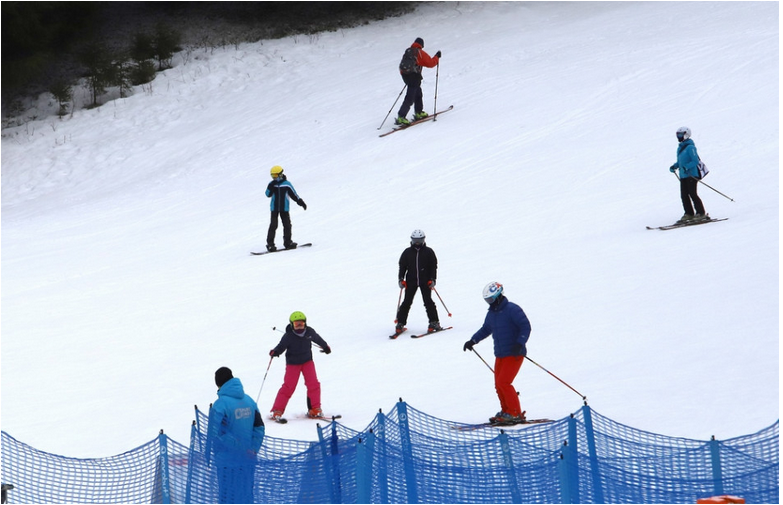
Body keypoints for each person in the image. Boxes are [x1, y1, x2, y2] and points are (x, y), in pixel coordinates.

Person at [462, 282, 531, 425]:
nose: (489, 303)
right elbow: (486, 329)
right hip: (500, 354)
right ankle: (506, 411)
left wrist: (520, 342)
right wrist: (473, 340)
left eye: (491, 300)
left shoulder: (512, 309)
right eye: (487, 301)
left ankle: (514, 413)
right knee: (498, 385)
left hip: (514, 353)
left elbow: (525, 326)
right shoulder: (491, 313)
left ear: (499, 296)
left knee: (504, 382)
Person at [205, 367, 265, 504]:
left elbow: (215, 433)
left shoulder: (220, 404)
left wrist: (236, 448)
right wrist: (252, 449)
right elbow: (259, 427)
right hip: (248, 460)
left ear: (219, 384)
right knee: (246, 495)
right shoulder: (249, 401)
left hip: (227, 461)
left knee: (228, 497)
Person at [269, 311, 331, 421]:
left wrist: (325, 347)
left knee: (313, 384)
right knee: (289, 387)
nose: (299, 327)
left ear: (305, 323)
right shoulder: (288, 336)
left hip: (307, 362)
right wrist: (275, 352)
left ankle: (315, 409)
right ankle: (277, 410)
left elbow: (318, 339)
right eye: (296, 324)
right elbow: (281, 346)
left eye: (301, 324)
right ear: (291, 324)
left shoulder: (309, 332)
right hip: (293, 364)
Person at [394, 229, 441, 334]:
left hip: (425, 281)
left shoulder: (429, 252)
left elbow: (433, 266)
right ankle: (400, 323)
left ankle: (434, 322)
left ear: (423, 239)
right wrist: (401, 279)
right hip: (411, 281)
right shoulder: (407, 252)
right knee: (406, 302)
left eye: (419, 240)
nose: (417, 242)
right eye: (415, 240)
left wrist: (433, 279)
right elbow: (402, 266)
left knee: (428, 301)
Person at [395, 37, 441, 126]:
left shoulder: (408, 51)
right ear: (422, 45)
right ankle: (401, 116)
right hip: (414, 76)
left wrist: (407, 77)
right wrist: (437, 57)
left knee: (418, 93)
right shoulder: (420, 53)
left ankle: (419, 111)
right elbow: (430, 63)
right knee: (410, 96)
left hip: (405, 75)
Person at [669, 127, 708, 223]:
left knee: (692, 193)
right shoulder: (680, 147)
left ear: (686, 135)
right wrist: (675, 166)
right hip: (683, 175)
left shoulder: (690, 147)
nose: (679, 137)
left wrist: (687, 167)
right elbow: (680, 162)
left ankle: (700, 213)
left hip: (691, 175)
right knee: (684, 195)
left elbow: (695, 161)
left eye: (680, 135)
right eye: (678, 135)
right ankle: (689, 213)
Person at [265, 165, 307, 252]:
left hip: (284, 208)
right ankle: (270, 244)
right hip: (274, 209)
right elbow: (267, 194)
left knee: (287, 225)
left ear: (280, 174)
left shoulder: (287, 184)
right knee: (273, 225)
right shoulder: (272, 184)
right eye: (272, 176)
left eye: (275, 176)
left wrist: (301, 202)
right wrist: (271, 186)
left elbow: (294, 195)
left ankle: (288, 243)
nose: (274, 178)